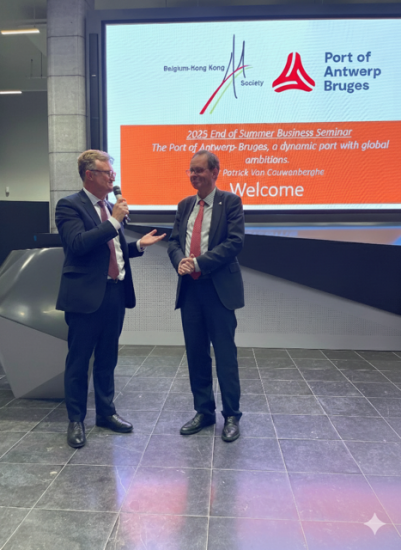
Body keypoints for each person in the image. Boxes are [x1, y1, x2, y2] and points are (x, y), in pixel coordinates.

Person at [56, 149, 165, 448]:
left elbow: (111, 252)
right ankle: (76, 420)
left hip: (114, 293)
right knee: (79, 361)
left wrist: (138, 246)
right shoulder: (69, 206)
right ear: (89, 175)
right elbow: (78, 245)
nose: (113, 178)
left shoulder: (109, 208)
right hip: (84, 297)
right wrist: (115, 222)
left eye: (113, 173)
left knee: (108, 358)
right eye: (108, 173)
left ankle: (106, 413)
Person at [168, 150, 245, 442]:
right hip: (190, 291)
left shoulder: (231, 202)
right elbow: (174, 242)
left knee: (225, 355)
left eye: (199, 170)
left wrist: (198, 263)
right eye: (191, 170)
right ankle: (204, 411)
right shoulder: (184, 205)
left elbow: (234, 242)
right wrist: (180, 261)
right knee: (196, 354)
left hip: (218, 290)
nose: (194, 175)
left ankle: (232, 415)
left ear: (215, 172)